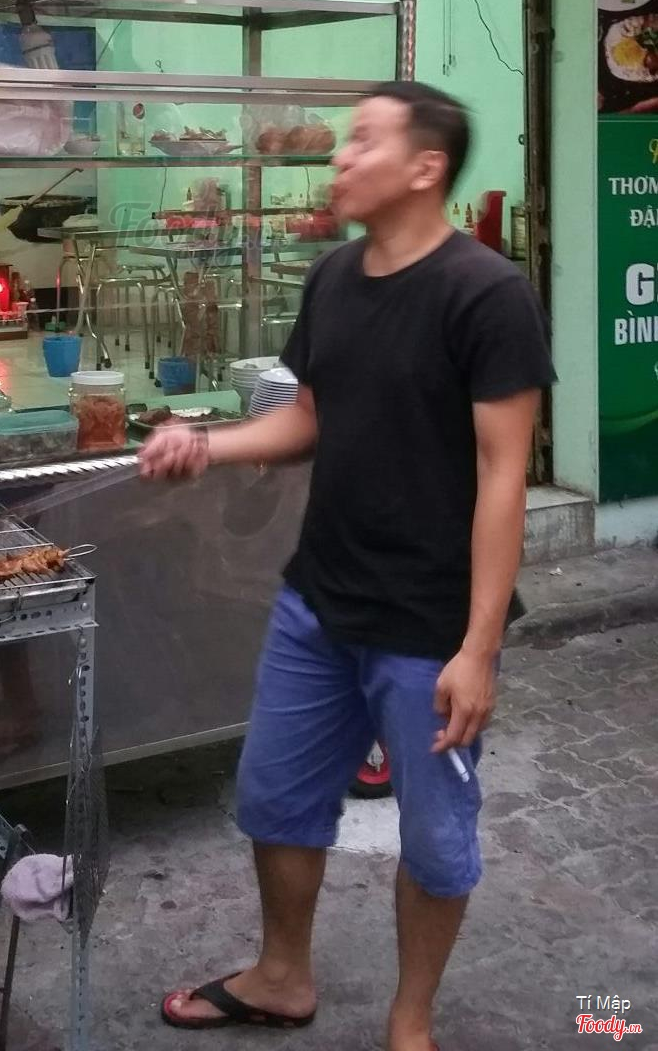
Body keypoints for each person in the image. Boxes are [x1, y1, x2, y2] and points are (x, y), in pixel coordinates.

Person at [139, 81, 554, 1051]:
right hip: (319, 599)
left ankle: (410, 1022)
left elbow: (504, 478)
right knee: (275, 798)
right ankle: (282, 976)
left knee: (436, 838)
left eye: (365, 141)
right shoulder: (331, 278)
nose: (340, 157)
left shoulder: (487, 294)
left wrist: (478, 649)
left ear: (425, 168)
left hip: (430, 623)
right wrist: (207, 445)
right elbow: (308, 421)